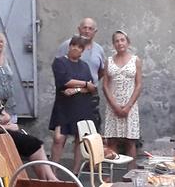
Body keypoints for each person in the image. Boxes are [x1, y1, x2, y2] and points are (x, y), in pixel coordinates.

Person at [0, 63, 57, 179]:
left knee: (36, 144)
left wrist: (3, 120)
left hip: (1, 131)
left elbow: (5, 115)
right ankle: (49, 179)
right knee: (34, 145)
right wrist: (8, 126)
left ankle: (50, 179)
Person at [50, 36, 99, 170]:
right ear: (69, 46)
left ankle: (75, 172)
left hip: (82, 106)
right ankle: (52, 173)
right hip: (63, 107)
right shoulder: (59, 62)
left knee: (80, 139)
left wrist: (77, 89)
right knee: (59, 138)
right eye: (73, 45)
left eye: (79, 47)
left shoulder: (84, 66)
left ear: (82, 50)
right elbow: (64, 81)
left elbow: (91, 88)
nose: (75, 49)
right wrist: (84, 84)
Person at [56, 17, 106, 130]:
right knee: (61, 134)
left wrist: (91, 83)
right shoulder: (67, 45)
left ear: (95, 32)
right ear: (79, 29)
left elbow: (102, 70)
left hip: (90, 94)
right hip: (69, 93)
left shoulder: (99, 49)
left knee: (87, 131)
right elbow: (59, 67)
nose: (87, 31)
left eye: (90, 28)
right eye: (84, 28)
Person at [102, 30, 142, 158]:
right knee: (112, 140)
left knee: (130, 141)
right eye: (116, 41)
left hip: (130, 106)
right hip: (113, 106)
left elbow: (138, 85)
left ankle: (131, 171)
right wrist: (115, 106)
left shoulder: (135, 60)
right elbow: (105, 85)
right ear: (113, 44)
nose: (120, 43)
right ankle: (112, 170)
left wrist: (128, 106)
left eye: (122, 40)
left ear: (128, 42)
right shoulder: (109, 61)